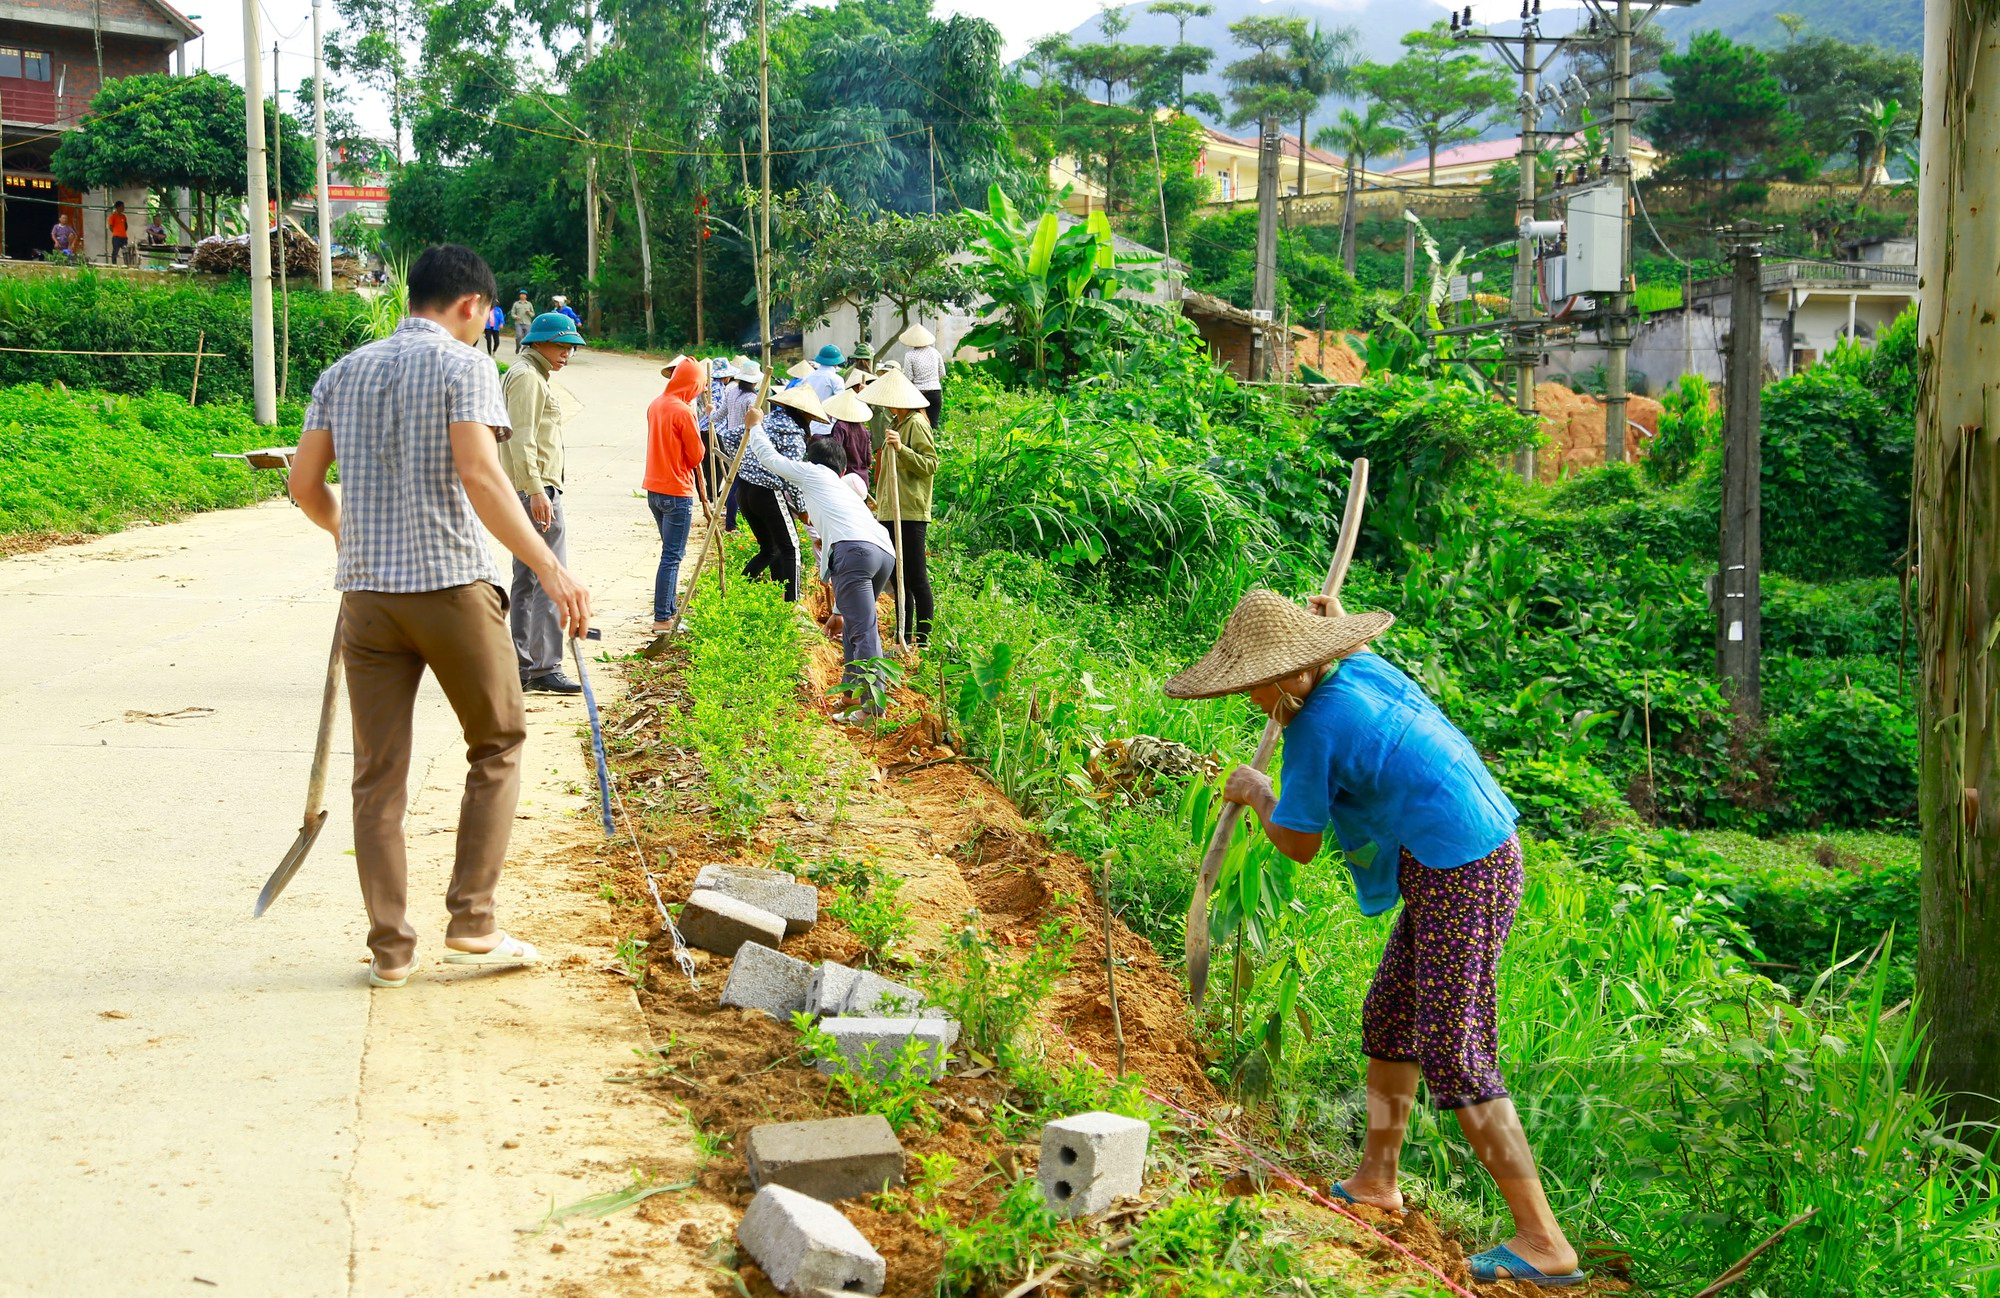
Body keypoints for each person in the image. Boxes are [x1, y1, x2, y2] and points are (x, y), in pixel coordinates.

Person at [1167, 589, 1583, 1289]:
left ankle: (1545, 1240)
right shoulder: (1357, 667)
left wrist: (1256, 792)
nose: (1248, 702)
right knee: (1391, 1015)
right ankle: (1375, 1181)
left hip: (1464, 867)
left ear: (1294, 675)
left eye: (1254, 686)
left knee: (1455, 1046)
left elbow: (1297, 843)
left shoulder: (1314, 731)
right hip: (1454, 854)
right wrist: (1332, 628)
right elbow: (1354, 648)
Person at [288, 243, 591, 990]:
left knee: (377, 777)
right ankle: (473, 922)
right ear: (471, 307)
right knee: (498, 742)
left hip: (367, 600)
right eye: (484, 315)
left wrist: (349, 533)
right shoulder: (467, 368)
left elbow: (303, 484)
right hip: (451, 587)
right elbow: (480, 475)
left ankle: (390, 950)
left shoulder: (342, 372)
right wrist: (550, 568)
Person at [743, 425, 896, 712]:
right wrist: (838, 612)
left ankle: (873, 708)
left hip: (855, 552)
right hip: (884, 552)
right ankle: (851, 695)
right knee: (854, 625)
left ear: (811, 461)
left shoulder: (813, 473)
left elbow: (769, 459)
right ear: (841, 470)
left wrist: (755, 426)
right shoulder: (844, 487)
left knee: (864, 632)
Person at [499, 310, 589, 694]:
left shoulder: (530, 374)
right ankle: (543, 667)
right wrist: (536, 490)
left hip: (530, 488)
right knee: (549, 575)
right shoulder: (526, 377)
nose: (567, 353)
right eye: (560, 345)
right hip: (537, 491)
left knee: (528, 577)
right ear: (537, 342)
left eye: (570, 347)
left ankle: (525, 664)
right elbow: (521, 438)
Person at [720, 383, 819, 602]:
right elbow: (793, 476)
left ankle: (738, 593)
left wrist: (746, 464)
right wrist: (802, 509)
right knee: (791, 549)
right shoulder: (793, 434)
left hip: (745, 490)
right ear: (803, 413)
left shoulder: (765, 423)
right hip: (768, 493)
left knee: (770, 548)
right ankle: (792, 604)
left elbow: (728, 437)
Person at [860, 368, 937, 646]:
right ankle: (903, 633)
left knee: (915, 576)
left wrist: (903, 449)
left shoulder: (916, 423)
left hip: (910, 510)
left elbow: (930, 465)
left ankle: (923, 639)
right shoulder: (897, 421)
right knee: (898, 576)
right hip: (891, 509)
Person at [645, 357, 706, 631]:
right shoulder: (683, 411)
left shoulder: (656, 403)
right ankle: (663, 618)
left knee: (669, 554)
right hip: (677, 491)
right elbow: (696, 456)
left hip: (655, 490)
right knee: (672, 556)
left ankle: (668, 611)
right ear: (693, 385)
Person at [823, 388, 873, 488]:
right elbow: (868, 460)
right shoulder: (864, 430)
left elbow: (836, 452)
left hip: (847, 479)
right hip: (862, 480)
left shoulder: (841, 426)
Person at [898, 323, 944, 430]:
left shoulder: (910, 355)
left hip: (919, 395)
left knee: (919, 426)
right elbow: (942, 373)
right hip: (935, 393)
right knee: (933, 426)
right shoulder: (935, 353)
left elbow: (909, 378)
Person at [108, 201, 131, 266]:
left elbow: (125, 226)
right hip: (116, 237)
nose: (123, 208)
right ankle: (114, 265)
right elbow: (110, 226)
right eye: (122, 206)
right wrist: (116, 232)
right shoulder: (113, 216)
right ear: (118, 207)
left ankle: (127, 264)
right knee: (115, 251)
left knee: (125, 251)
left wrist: (122, 232)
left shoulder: (123, 216)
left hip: (124, 237)